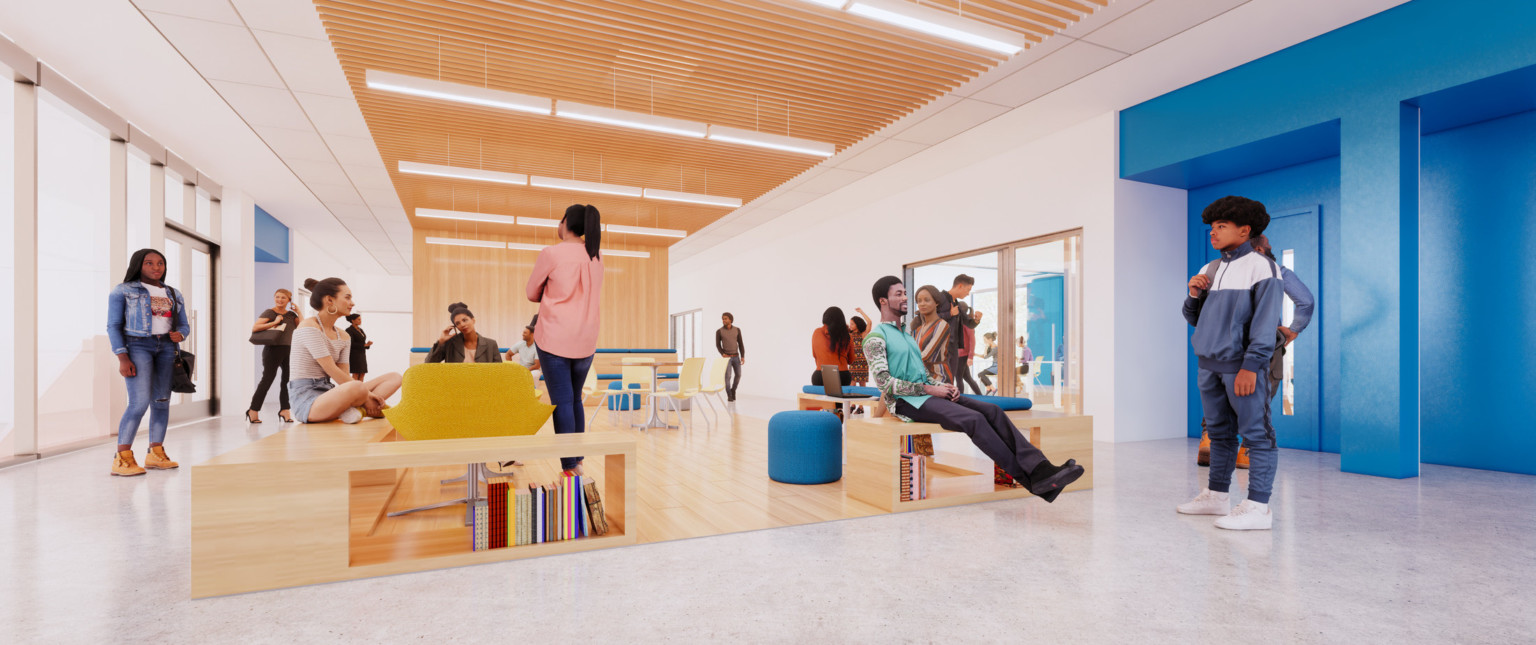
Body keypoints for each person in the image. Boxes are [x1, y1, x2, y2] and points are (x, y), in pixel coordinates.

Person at [863, 276, 1083, 502]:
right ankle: (1033, 481)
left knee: (993, 412)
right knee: (974, 420)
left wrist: (943, 386)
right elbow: (884, 383)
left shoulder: (907, 336)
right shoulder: (875, 338)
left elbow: (924, 374)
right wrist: (930, 390)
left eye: (904, 292)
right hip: (906, 402)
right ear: (883, 301)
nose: (905, 298)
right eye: (898, 294)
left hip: (927, 393)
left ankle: (1042, 468)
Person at [1177, 196, 1284, 530]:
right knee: (1220, 434)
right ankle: (1217, 495)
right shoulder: (1210, 269)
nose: (1214, 232)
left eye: (1222, 226)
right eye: (1212, 227)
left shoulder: (1262, 267)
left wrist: (1251, 366)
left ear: (1244, 230)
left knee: (1257, 435)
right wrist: (1193, 295)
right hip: (1208, 365)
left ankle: (1258, 508)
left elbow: (1266, 323)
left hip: (1241, 367)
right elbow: (1196, 319)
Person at [1196, 233, 1315, 467]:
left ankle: (1208, 440)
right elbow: (1306, 301)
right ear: (1259, 250)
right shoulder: (1276, 270)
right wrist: (1293, 330)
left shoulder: (1217, 270)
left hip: (1222, 344)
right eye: (1268, 246)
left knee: (1218, 391)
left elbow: (1200, 308)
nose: (1271, 249)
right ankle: (1247, 451)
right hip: (1262, 343)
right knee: (1260, 391)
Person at [528, 204, 604, 475]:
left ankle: (569, 466)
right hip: (586, 339)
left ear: (564, 222)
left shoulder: (551, 253)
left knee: (561, 400)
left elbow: (531, 292)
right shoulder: (596, 255)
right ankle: (578, 460)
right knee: (575, 399)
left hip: (555, 338)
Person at [106, 248, 191, 476]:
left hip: (166, 348)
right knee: (139, 403)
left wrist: (181, 335)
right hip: (137, 346)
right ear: (138, 265)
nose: (156, 268)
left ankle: (155, 453)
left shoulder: (173, 293)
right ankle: (122, 458)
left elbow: (183, 324)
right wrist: (122, 357)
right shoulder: (123, 291)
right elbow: (113, 326)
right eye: (149, 263)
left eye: (160, 263)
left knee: (162, 401)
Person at [287, 277, 402, 424]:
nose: (352, 303)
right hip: (307, 400)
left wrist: (364, 395)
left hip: (330, 392)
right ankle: (368, 407)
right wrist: (368, 396)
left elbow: (343, 376)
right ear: (330, 300)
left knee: (394, 377)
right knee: (357, 386)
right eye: (347, 298)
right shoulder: (308, 327)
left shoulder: (344, 336)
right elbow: (331, 370)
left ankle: (359, 410)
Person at [247, 288, 300, 423]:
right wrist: (275, 322)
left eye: (283, 297)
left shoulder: (292, 315)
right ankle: (253, 410)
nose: (279, 300)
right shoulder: (270, 312)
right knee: (267, 380)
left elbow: (303, 327)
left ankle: (285, 410)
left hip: (289, 350)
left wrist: (298, 311)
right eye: (277, 297)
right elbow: (255, 327)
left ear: (289, 300)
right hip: (272, 350)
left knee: (287, 381)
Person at [936, 275, 982, 394]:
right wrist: (949, 314)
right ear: (960, 286)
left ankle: (950, 405)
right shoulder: (940, 298)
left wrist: (976, 320)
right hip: (942, 346)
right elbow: (928, 319)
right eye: (968, 290)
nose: (968, 293)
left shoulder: (956, 302)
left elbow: (968, 323)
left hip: (953, 347)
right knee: (943, 379)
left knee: (950, 380)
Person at [425, 302, 502, 364]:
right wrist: (441, 341)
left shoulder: (491, 344)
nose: (462, 324)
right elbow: (429, 363)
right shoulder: (450, 344)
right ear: (456, 327)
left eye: (465, 320)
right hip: (455, 383)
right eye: (458, 323)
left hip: (483, 383)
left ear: (473, 320)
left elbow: (499, 372)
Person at [909, 285, 952, 383]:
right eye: (919, 301)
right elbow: (910, 352)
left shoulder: (942, 325)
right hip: (921, 377)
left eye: (927, 300)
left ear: (936, 302)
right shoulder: (918, 329)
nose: (922, 304)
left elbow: (926, 355)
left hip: (939, 378)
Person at [810, 306, 856, 386]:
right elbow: (851, 360)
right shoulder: (848, 336)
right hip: (842, 377)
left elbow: (815, 355)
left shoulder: (817, 332)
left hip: (820, 376)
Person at [715, 312, 744, 401]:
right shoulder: (719, 331)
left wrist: (742, 356)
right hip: (726, 358)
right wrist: (722, 353)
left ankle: (733, 390)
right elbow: (718, 345)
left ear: (730, 320)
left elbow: (741, 344)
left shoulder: (737, 330)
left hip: (736, 356)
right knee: (728, 376)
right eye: (723, 319)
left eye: (725, 318)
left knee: (738, 375)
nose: (723, 320)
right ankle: (729, 395)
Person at [849, 308, 873, 387]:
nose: (850, 325)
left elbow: (869, 322)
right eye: (850, 324)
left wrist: (861, 312)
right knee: (852, 383)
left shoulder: (863, 334)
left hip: (862, 363)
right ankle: (851, 399)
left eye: (852, 324)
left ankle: (863, 399)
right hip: (853, 362)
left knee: (862, 384)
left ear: (857, 324)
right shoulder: (849, 334)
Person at [345, 314, 372, 382]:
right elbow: (351, 344)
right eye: (358, 319)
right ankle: (354, 390)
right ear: (353, 320)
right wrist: (364, 345)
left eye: (360, 319)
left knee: (362, 373)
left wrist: (367, 345)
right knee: (356, 373)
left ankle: (360, 390)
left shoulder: (360, 329)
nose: (360, 321)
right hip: (354, 355)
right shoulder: (349, 330)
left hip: (362, 354)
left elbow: (362, 342)